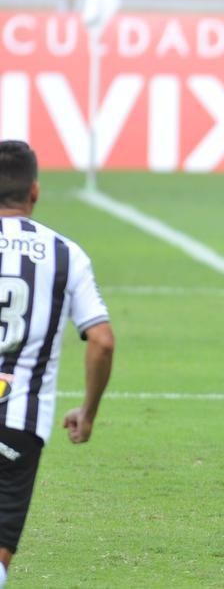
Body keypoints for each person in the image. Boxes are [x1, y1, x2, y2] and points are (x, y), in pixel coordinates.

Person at [0, 140, 114, 586]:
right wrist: (87, 413)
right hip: (18, 423)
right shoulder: (66, 254)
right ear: (34, 191)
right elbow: (101, 341)